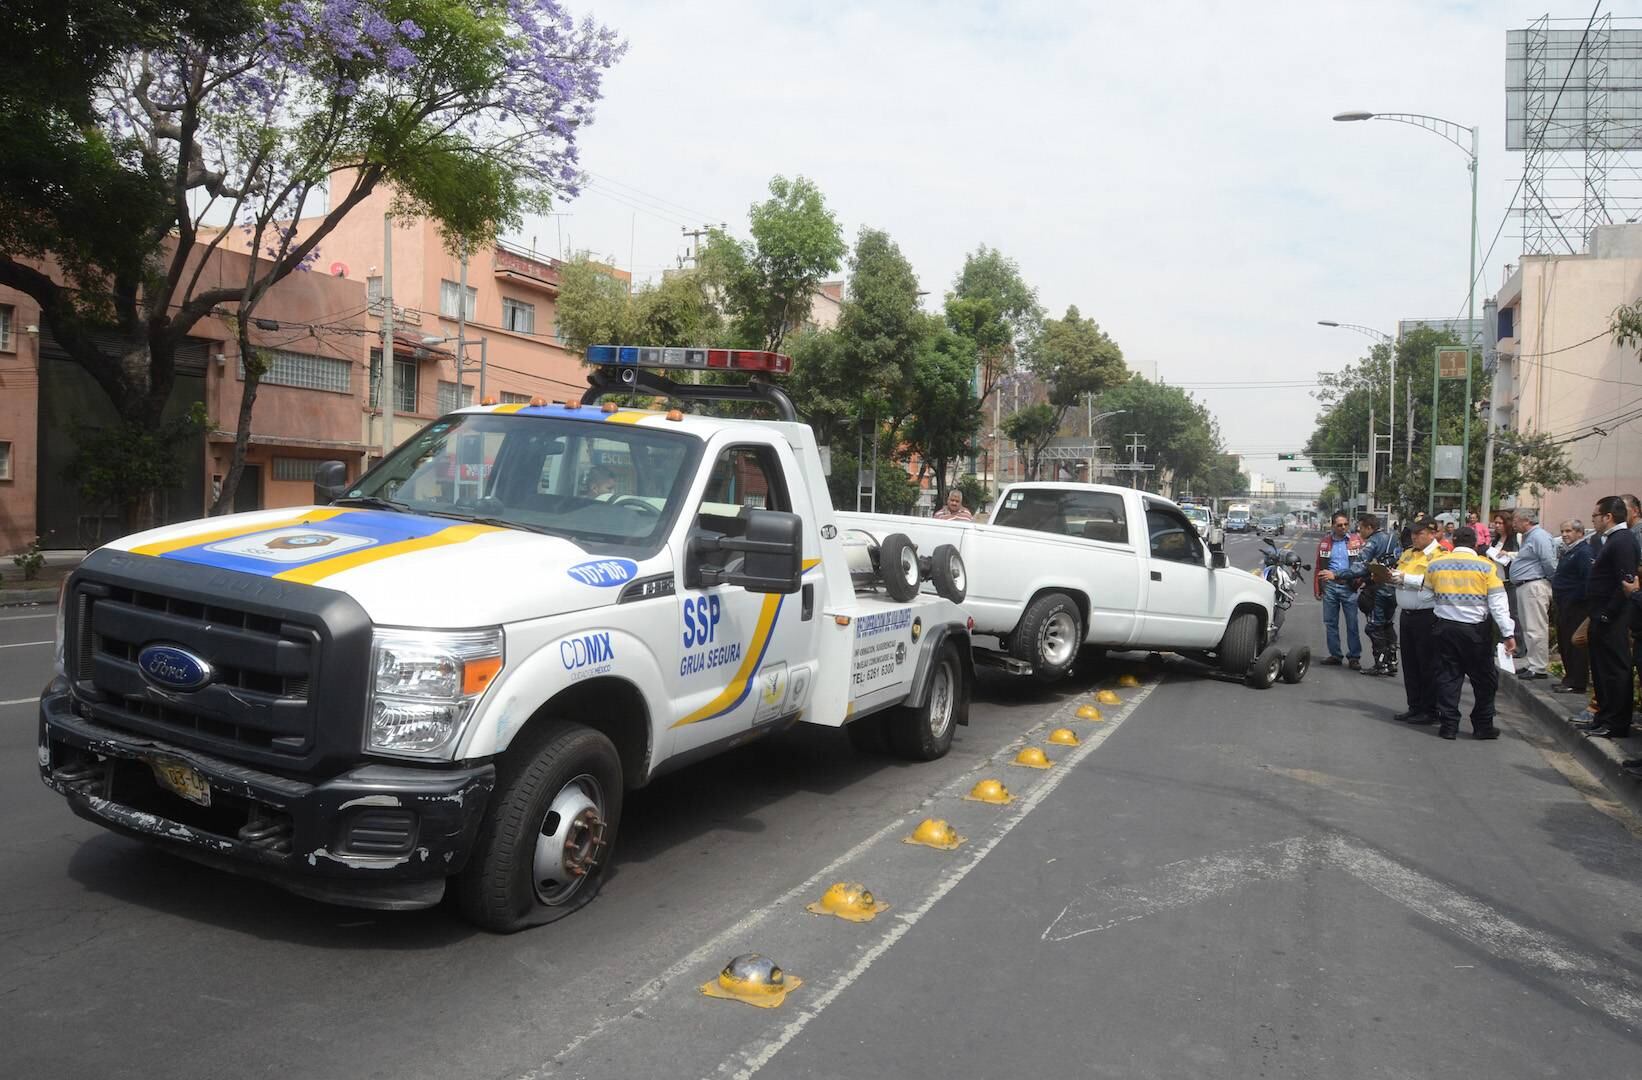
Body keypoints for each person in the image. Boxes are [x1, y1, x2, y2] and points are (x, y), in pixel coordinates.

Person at [1426, 525, 1517, 740]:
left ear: (1453, 541)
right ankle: (1483, 726)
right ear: (1475, 543)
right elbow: (1498, 604)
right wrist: (1508, 634)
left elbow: (1425, 597)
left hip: (1444, 628)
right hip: (1475, 632)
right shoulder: (1486, 567)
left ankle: (1448, 726)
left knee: (1448, 677)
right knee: (1484, 680)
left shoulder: (1436, 564)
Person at [1576, 496, 1639, 739]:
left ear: (1608, 517)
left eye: (1595, 516)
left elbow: (1625, 582)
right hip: (1602, 615)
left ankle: (1616, 722)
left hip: (1612, 618)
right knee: (1602, 670)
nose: (1594, 520)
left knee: (1615, 670)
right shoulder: (1612, 540)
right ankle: (1603, 716)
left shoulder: (1622, 541)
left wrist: (1606, 614)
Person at [1389, 513, 1442, 725]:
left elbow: (1432, 582)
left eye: (1418, 533)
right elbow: (1400, 575)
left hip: (1427, 615)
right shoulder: (1409, 554)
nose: (1414, 537)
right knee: (1410, 664)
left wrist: (1405, 578)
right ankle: (1415, 706)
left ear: (1432, 533)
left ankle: (1429, 709)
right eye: (1412, 533)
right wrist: (1391, 577)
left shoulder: (1439, 556)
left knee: (1427, 664)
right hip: (1407, 614)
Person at [1333, 513, 1400, 676]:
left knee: (1374, 626)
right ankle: (1392, 662)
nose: (1359, 531)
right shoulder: (1393, 538)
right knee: (1387, 624)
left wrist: (1337, 574)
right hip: (1394, 588)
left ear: (1369, 527)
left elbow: (1360, 567)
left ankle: (1380, 663)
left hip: (1377, 588)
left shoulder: (1373, 541)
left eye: (1361, 527)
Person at [1507, 509, 1556, 680]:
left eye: (1516, 520)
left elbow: (1549, 561)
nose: (1513, 523)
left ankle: (1539, 666)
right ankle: (1533, 662)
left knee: (1536, 627)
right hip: (1525, 585)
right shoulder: (1529, 536)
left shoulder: (1539, 536)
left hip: (1534, 584)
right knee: (1528, 627)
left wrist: (1551, 580)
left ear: (1526, 520)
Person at [1314, 512, 1364, 668]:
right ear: (1333, 526)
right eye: (1339, 525)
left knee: (1352, 623)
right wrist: (1318, 588)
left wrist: (1360, 581)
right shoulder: (1325, 543)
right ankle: (1335, 654)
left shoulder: (1356, 541)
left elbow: (1363, 563)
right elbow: (1318, 566)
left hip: (1349, 587)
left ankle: (1354, 657)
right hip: (1330, 587)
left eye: (1345, 524)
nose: (1343, 527)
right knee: (1330, 623)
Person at [1551, 519, 1593, 696]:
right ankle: (1570, 678)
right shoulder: (1569, 551)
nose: (1564, 535)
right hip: (1564, 605)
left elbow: (1587, 580)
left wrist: (1574, 600)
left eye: (1568, 531)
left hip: (1575, 607)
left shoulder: (1583, 552)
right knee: (1564, 644)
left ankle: (1576, 682)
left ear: (1580, 533)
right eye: (1563, 531)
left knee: (1573, 646)